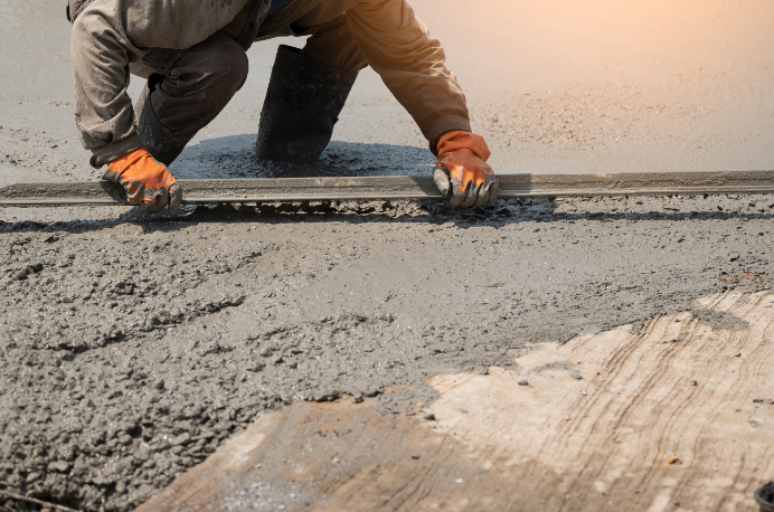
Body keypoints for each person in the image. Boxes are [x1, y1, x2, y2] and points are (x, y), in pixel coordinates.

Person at [66, 0, 499, 216]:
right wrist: (122, 149)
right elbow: (95, 29)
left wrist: (454, 137)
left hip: (246, 10)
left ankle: (289, 150)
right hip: (139, 12)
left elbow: (409, 52)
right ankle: (145, 156)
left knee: (362, 23)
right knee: (218, 64)